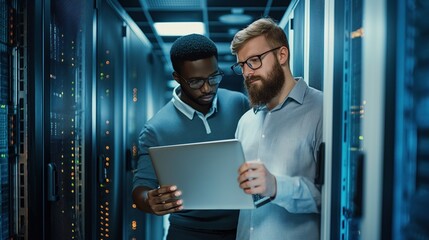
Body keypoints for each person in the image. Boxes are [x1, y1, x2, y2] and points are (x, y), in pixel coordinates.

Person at [132, 33, 249, 240]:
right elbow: (141, 186)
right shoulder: (155, 128)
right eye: (195, 81)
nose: (207, 88)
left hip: (243, 229)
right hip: (187, 232)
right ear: (177, 78)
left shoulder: (239, 103)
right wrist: (149, 200)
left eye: (214, 77)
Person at [230, 17, 323, 239]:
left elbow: (334, 199)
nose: (247, 73)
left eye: (254, 60)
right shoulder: (246, 122)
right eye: (242, 65)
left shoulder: (323, 110)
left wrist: (275, 186)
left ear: (282, 55)